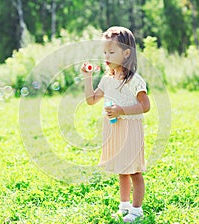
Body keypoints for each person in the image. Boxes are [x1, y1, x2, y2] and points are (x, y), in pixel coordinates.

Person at [82, 26, 150, 222]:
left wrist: (121, 111)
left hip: (130, 130)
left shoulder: (134, 81)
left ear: (126, 53)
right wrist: (88, 78)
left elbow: (145, 106)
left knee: (135, 172)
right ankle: (124, 206)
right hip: (115, 129)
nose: (107, 56)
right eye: (104, 52)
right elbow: (91, 100)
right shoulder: (107, 79)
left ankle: (137, 210)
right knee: (122, 170)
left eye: (111, 52)